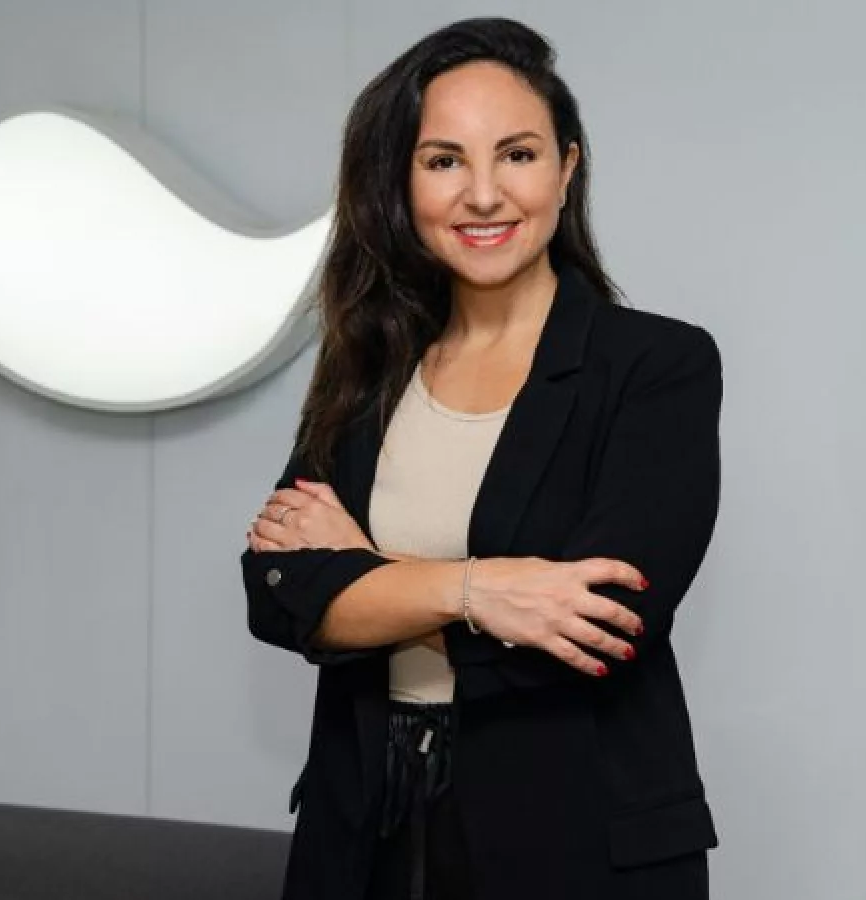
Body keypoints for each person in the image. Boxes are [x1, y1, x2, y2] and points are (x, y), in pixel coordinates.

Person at [242, 16, 722, 900]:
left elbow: (602, 624)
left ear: (567, 169)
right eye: (444, 161)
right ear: (402, 182)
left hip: (574, 844)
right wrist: (482, 590)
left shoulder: (656, 365)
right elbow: (279, 594)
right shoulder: (371, 365)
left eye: (517, 155)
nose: (484, 194)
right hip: (365, 835)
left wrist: (367, 576)